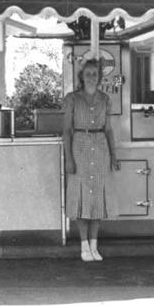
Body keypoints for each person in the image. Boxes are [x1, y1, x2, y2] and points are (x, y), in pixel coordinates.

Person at [62, 59, 119, 262]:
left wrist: (114, 154)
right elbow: (67, 130)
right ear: (81, 76)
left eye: (95, 74)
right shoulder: (72, 99)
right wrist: (68, 158)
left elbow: (109, 129)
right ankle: (83, 245)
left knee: (97, 200)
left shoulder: (105, 99)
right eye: (88, 73)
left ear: (100, 77)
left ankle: (94, 246)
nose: (92, 77)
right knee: (81, 196)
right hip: (80, 146)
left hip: (101, 148)